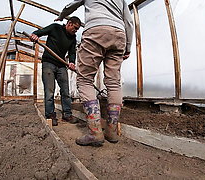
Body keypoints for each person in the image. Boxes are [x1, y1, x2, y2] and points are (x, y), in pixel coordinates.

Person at [55, 0, 134, 146]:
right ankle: (111, 132)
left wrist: (62, 16)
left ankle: (95, 133)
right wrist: (128, 46)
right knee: (114, 83)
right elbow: (129, 21)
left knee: (85, 80)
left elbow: (71, 6)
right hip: (119, 34)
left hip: (96, 31)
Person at [29, 16, 81, 126]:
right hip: (48, 63)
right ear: (69, 23)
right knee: (49, 91)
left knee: (65, 91)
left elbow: (72, 52)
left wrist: (72, 62)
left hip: (61, 65)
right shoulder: (55, 28)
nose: (76, 31)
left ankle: (67, 114)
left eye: (77, 29)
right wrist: (34, 35)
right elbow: (40, 32)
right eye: (75, 28)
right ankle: (50, 115)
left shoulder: (73, 38)